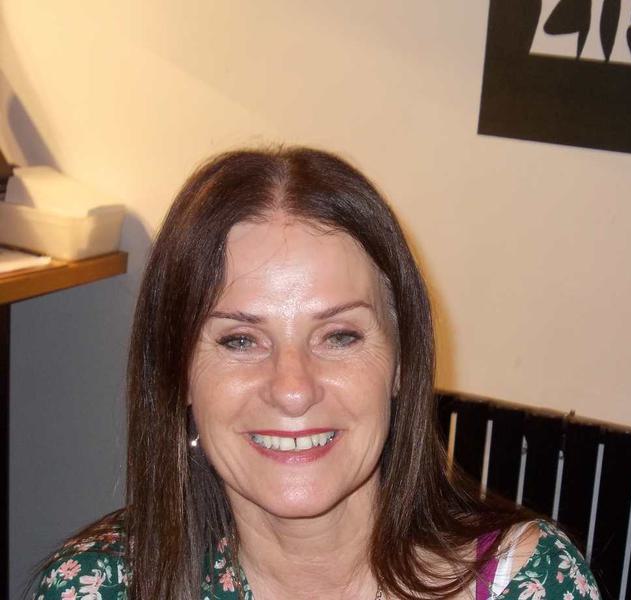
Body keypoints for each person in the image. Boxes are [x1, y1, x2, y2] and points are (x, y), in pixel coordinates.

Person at [32, 147, 600, 599]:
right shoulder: (95, 590)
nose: (293, 389)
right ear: (178, 372)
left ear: (401, 362)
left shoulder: (524, 584)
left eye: (339, 336)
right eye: (240, 340)